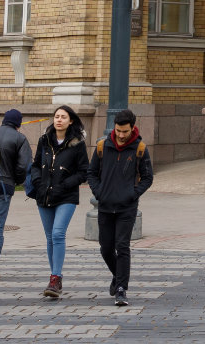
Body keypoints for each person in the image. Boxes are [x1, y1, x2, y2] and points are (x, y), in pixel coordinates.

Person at [87, 108, 154, 307]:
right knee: (106, 248)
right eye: (118, 131)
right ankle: (118, 276)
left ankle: (121, 289)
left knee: (122, 246)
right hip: (105, 205)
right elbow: (91, 173)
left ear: (132, 128)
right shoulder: (102, 146)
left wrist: (132, 194)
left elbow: (148, 177)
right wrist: (99, 193)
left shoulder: (139, 148)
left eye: (125, 131)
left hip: (127, 208)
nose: (121, 135)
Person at [28, 104, 87, 300]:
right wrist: (37, 181)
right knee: (49, 237)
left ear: (70, 121)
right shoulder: (44, 140)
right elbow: (35, 165)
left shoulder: (77, 143)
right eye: (56, 116)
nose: (59, 119)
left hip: (66, 196)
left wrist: (66, 183)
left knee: (58, 233)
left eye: (63, 117)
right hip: (44, 194)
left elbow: (83, 172)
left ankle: (56, 277)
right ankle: (54, 277)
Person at [0, 108, 32, 282]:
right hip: (4, 186)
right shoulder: (20, 138)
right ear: (18, 124)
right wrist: (15, 180)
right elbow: (24, 166)